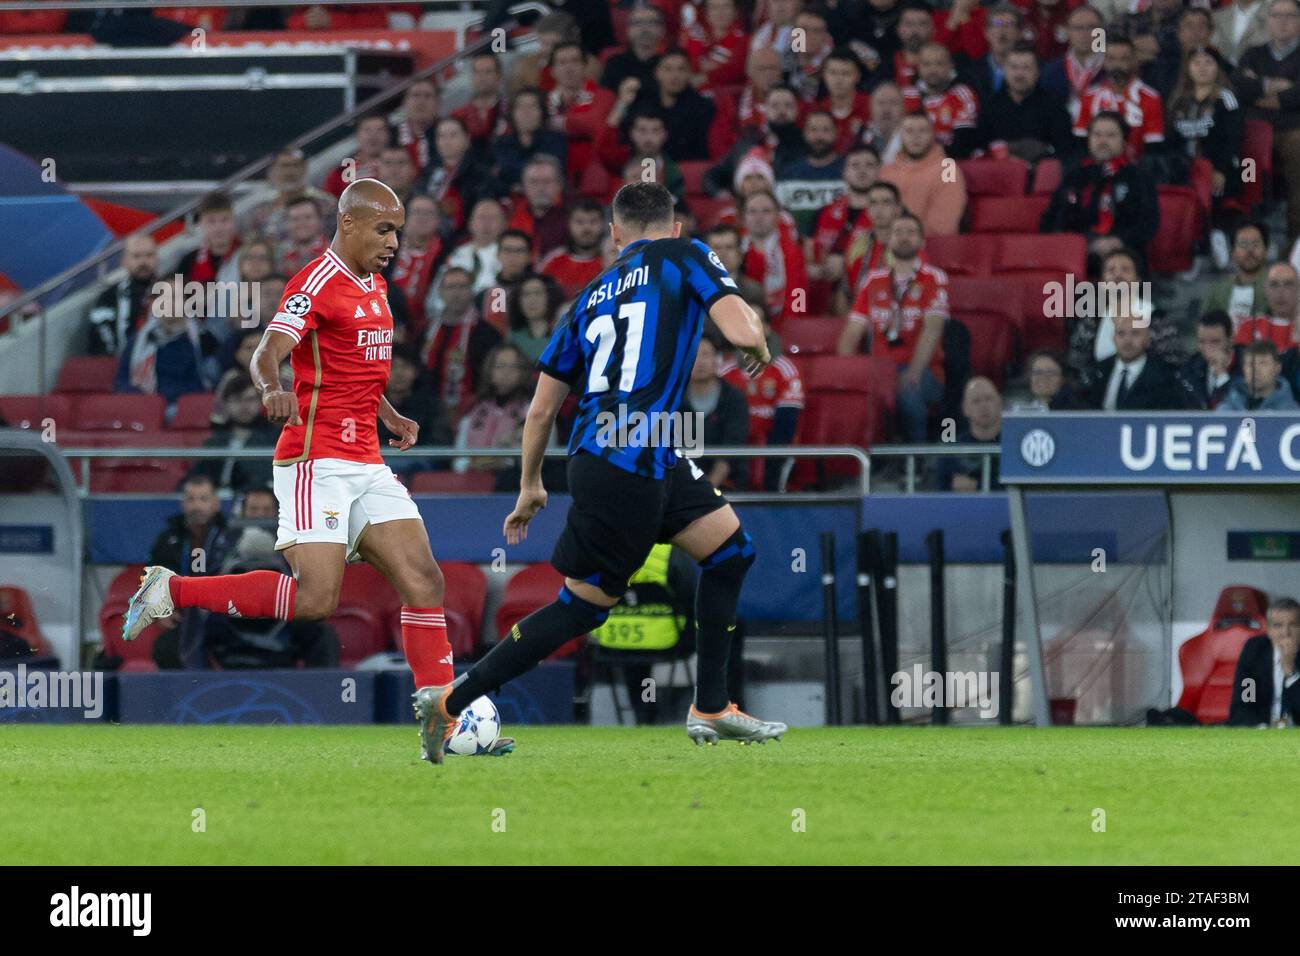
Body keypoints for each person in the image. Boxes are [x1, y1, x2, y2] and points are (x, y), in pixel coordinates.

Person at [122, 179, 513, 761]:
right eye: (383, 229)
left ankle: (442, 716)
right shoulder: (316, 281)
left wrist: (390, 414)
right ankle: (170, 587)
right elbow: (266, 351)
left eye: (399, 232)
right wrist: (270, 387)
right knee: (315, 600)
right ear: (350, 224)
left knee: (424, 579)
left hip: (367, 460)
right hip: (315, 459)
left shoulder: (376, 285)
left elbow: (356, 370)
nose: (393, 242)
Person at [415, 182, 787, 762]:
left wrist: (531, 484)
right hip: (625, 463)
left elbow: (540, 410)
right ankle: (451, 702)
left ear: (614, 235)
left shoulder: (588, 295)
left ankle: (712, 704)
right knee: (584, 606)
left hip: (635, 452)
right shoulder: (683, 255)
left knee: (732, 551)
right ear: (675, 228)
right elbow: (740, 327)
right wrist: (758, 343)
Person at [839, 213, 948, 443]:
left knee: (906, 394)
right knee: (857, 398)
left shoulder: (934, 278)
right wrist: (848, 373)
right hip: (878, 369)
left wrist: (913, 373)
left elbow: (932, 330)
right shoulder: (873, 279)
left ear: (922, 241)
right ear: (888, 239)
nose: (904, 237)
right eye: (898, 232)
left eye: (911, 232)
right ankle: (868, 466)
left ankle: (915, 462)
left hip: (923, 370)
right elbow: (853, 331)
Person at [1042, 111, 1160, 270]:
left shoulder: (1139, 176)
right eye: (1097, 135)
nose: (1103, 141)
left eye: (1111, 135)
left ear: (1124, 141)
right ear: (1089, 140)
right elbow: (1053, 217)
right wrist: (1076, 244)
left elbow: (1148, 223)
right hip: (1079, 249)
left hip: (1123, 250)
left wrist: (1117, 241)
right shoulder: (1074, 175)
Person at [145, 473, 240, 669]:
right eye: (191, 499)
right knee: (165, 648)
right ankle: (186, 698)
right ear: (183, 504)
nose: (197, 506)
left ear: (216, 504)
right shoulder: (169, 538)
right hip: (183, 618)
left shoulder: (231, 536)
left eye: (203, 499)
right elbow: (152, 578)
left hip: (224, 617)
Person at [1233, 0, 1300, 249]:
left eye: (1290, 16)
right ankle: (1250, 232)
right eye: (1276, 15)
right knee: (1248, 175)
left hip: (1294, 130)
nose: (1282, 21)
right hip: (1255, 133)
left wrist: (1261, 86)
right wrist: (1279, 87)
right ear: (1268, 21)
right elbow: (1240, 86)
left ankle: (1295, 243)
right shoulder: (1253, 53)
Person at [878, 112, 968, 237]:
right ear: (900, 136)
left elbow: (944, 225)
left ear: (932, 135)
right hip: (884, 245)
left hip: (932, 247)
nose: (916, 137)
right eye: (909, 131)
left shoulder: (948, 169)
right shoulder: (885, 171)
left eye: (923, 131)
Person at [680, 331, 751, 489]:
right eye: (693, 355)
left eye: (706, 355)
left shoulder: (734, 398)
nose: (700, 362)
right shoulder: (674, 400)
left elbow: (731, 450)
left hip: (727, 486)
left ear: (717, 360)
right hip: (683, 485)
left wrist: (708, 492)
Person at [1081, 312, 1189, 410]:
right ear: (1113, 338)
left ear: (1148, 339)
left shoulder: (1165, 376)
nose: (1127, 341)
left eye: (1135, 333)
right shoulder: (1098, 371)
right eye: (1121, 334)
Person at [192, 372, 278, 493]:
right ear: (226, 404)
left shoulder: (274, 438)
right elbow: (196, 477)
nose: (244, 406)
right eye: (237, 400)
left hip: (255, 501)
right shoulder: (215, 440)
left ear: (260, 402)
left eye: (250, 399)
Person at [1227, 595, 1300, 726]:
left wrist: (1290, 671)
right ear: (1269, 630)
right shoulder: (1254, 652)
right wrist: (1260, 728)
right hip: (1262, 729)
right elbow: (1244, 703)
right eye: (1278, 626)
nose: (1285, 632)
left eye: (1293, 625)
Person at [87, 233, 158, 356]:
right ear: (124, 261)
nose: (143, 262)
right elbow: (100, 336)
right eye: (136, 256)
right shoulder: (109, 297)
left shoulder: (171, 291)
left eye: (149, 255)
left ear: (156, 258)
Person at [493, 88, 569, 192]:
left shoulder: (556, 141)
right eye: (520, 107)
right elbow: (494, 180)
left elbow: (550, 174)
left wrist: (505, 172)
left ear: (542, 112)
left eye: (533, 107)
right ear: (512, 113)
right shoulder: (502, 144)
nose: (526, 112)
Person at [935, 376, 1003, 492]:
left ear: (1000, 404)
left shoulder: (1015, 447)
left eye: (989, 399)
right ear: (965, 409)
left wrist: (977, 487)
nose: (984, 406)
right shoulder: (951, 452)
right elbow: (938, 496)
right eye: (976, 401)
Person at [1202, 222, 1271, 324]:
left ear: (1266, 251)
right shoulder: (1217, 292)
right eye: (1243, 244)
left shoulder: (1277, 289)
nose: (1250, 250)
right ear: (1233, 252)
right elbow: (1203, 329)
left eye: (1255, 244)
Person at [539, 199, 605, 299]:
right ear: (569, 225)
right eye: (579, 222)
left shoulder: (614, 258)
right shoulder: (553, 260)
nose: (587, 228)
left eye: (593, 221)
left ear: (603, 224)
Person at [1177, 310, 1237, 409]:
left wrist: (1222, 376)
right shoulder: (1190, 370)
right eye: (1202, 342)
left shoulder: (1246, 367)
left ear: (1230, 339)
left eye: (1215, 342)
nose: (1207, 348)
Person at [1219, 338, 1300, 408]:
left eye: (1263, 363)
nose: (1256, 369)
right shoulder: (1227, 408)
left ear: (1277, 368)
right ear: (1243, 368)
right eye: (1250, 364)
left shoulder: (1291, 413)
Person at [505, 274, 565, 364]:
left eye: (538, 293)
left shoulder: (563, 333)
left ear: (550, 297)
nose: (532, 300)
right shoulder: (513, 336)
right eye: (526, 294)